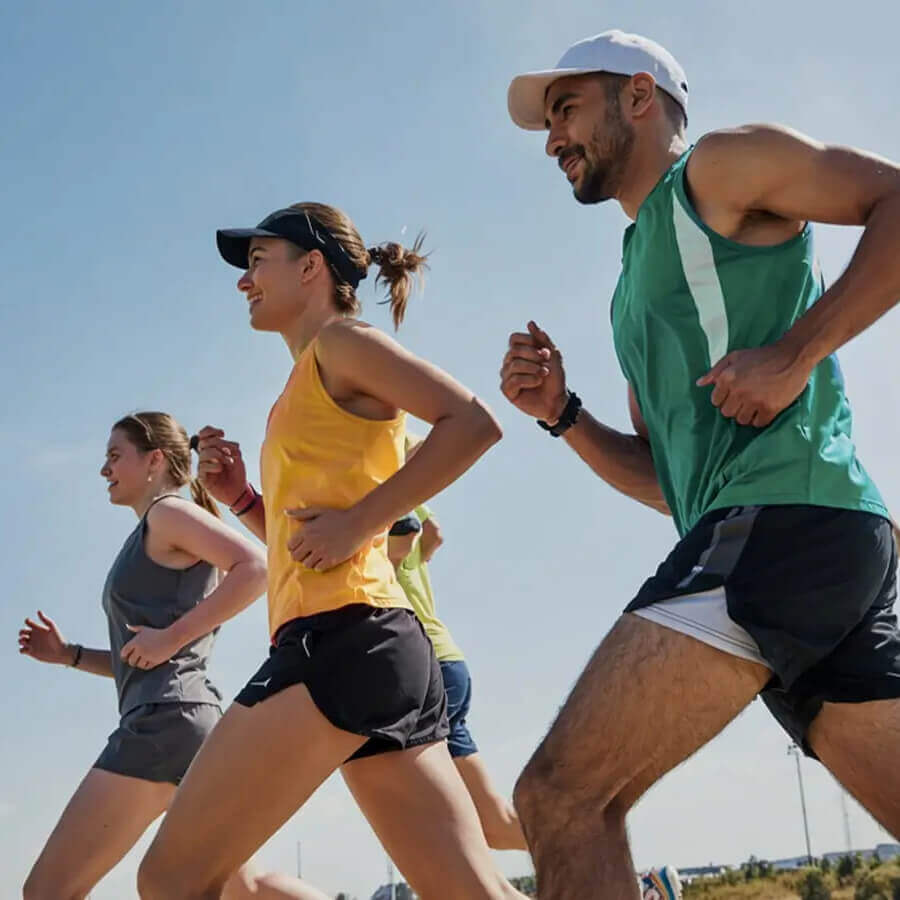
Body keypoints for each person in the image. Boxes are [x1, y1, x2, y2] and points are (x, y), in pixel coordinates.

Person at [501, 28, 900, 900]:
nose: (553, 137)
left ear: (639, 96)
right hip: (803, 537)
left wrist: (794, 354)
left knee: (560, 798)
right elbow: (668, 483)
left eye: (567, 108)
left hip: (785, 522)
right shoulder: (629, 287)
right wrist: (564, 416)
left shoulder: (716, 169)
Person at [136, 203, 528, 900]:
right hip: (371, 648)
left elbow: (473, 423)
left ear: (311, 267)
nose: (244, 281)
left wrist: (360, 524)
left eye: (259, 262)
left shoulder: (342, 343)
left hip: (344, 641)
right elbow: (309, 544)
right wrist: (243, 500)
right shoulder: (306, 376)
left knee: (169, 879)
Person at [19, 411, 328, 900]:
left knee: (48, 891)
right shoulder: (156, 528)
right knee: (243, 888)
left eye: (115, 455)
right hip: (188, 722)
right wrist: (69, 655)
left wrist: (170, 638)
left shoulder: (167, 513)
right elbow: (141, 657)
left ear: (154, 460)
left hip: (162, 723)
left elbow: (255, 568)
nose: (104, 469)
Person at [387, 441, 526, 851]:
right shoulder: (410, 516)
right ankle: (596, 860)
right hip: (447, 662)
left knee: (430, 819)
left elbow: (407, 530)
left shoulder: (386, 511)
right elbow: (433, 533)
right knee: (494, 826)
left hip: (426, 668)